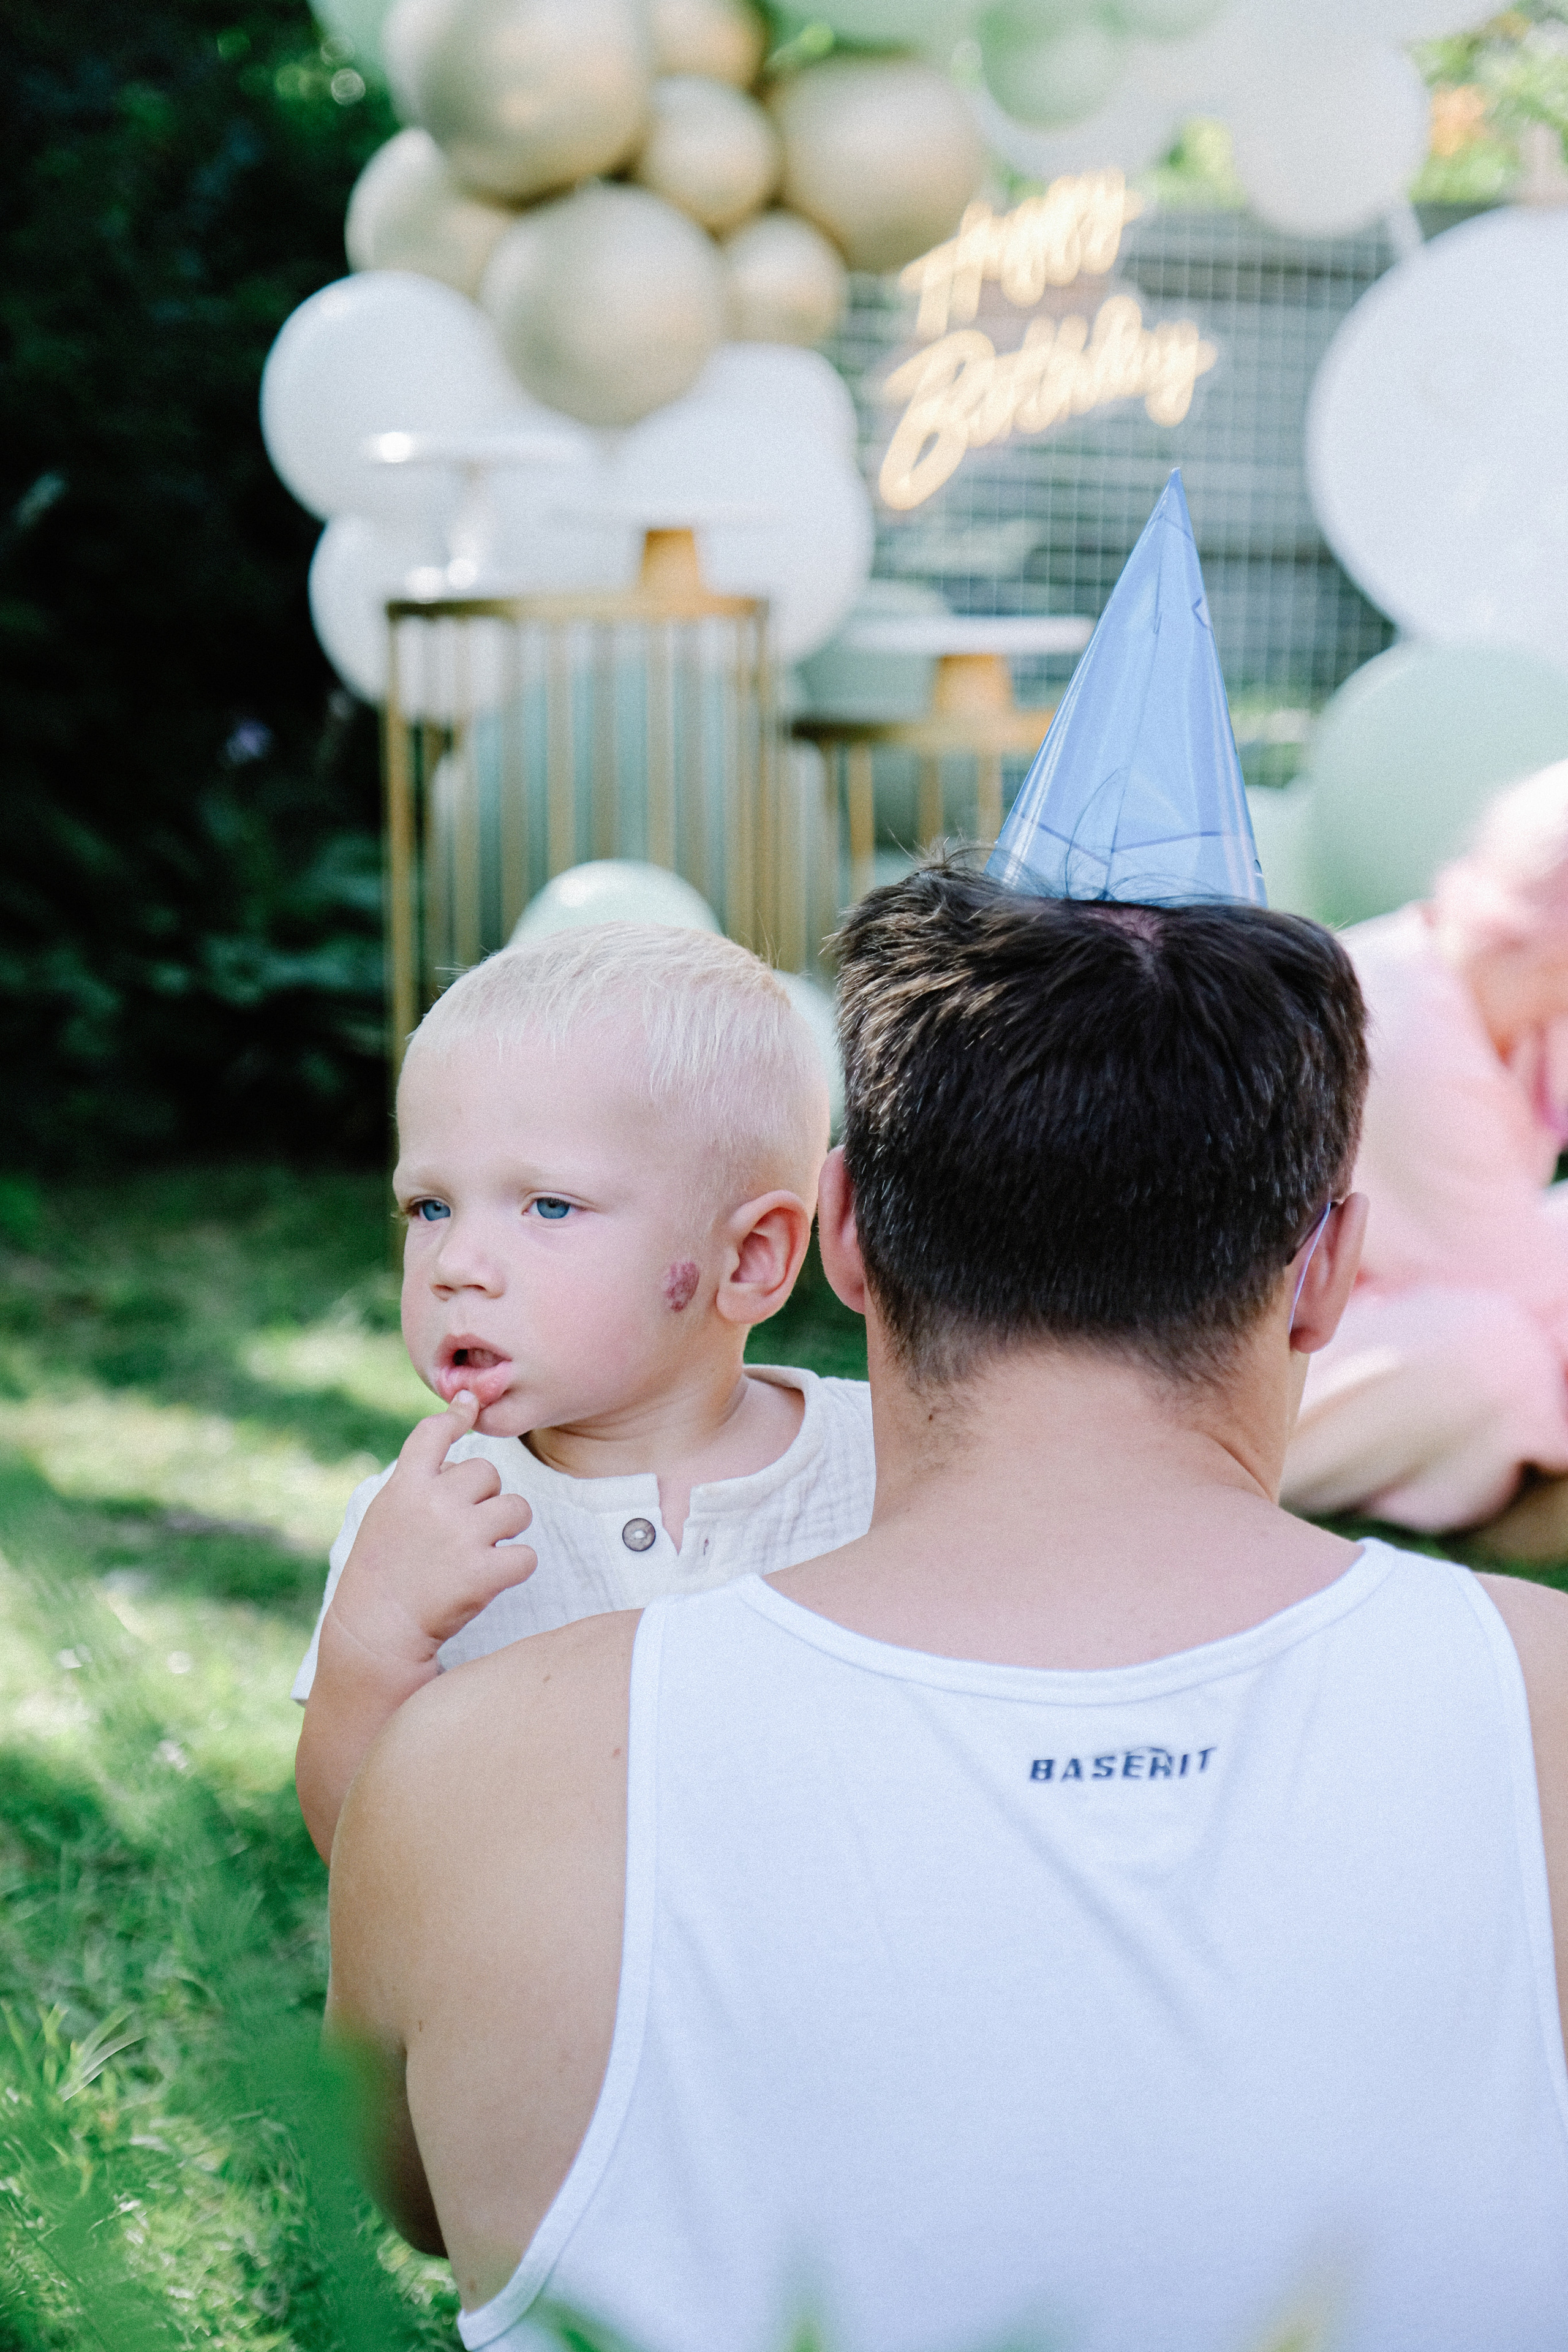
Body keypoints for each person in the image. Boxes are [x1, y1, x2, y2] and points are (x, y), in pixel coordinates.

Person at [325, 867, 1568, 2352]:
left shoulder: (463, 1776)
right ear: (1323, 1273)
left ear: (836, 1234)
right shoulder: (1542, 1707)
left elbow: (412, 2190)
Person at [293, 922, 874, 1862]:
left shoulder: (894, 1467)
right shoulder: (417, 1527)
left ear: (751, 1258)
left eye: (549, 1206)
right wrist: (374, 1640)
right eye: (430, 1207)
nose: (457, 1265)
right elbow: (352, 1845)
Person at [1281, 761, 1568, 1553]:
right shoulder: (1403, 1032)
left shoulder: (1524, 1000)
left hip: (1391, 1288)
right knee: (1489, 1356)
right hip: (1255, 1339)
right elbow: (1516, 1282)